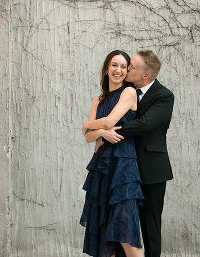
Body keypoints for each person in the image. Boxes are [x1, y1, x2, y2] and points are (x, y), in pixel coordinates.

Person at [89, 50, 174, 257]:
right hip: (124, 169)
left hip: (151, 171)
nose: (127, 69)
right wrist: (99, 132)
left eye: (131, 67)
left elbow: (144, 125)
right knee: (120, 225)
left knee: (149, 227)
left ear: (146, 75)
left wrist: (105, 132)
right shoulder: (126, 92)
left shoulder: (163, 96)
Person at [80, 50, 144, 257]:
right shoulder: (97, 99)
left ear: (127, 72)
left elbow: (108, 122)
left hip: (124, 167)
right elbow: (89, 138)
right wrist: (100, 133)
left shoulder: (129, 93)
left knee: (126, 230)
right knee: (106, 232)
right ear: (107, 68)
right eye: (114, 65)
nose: (118, 70)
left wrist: (88, 125)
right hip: (102, 168)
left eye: (123, 67)